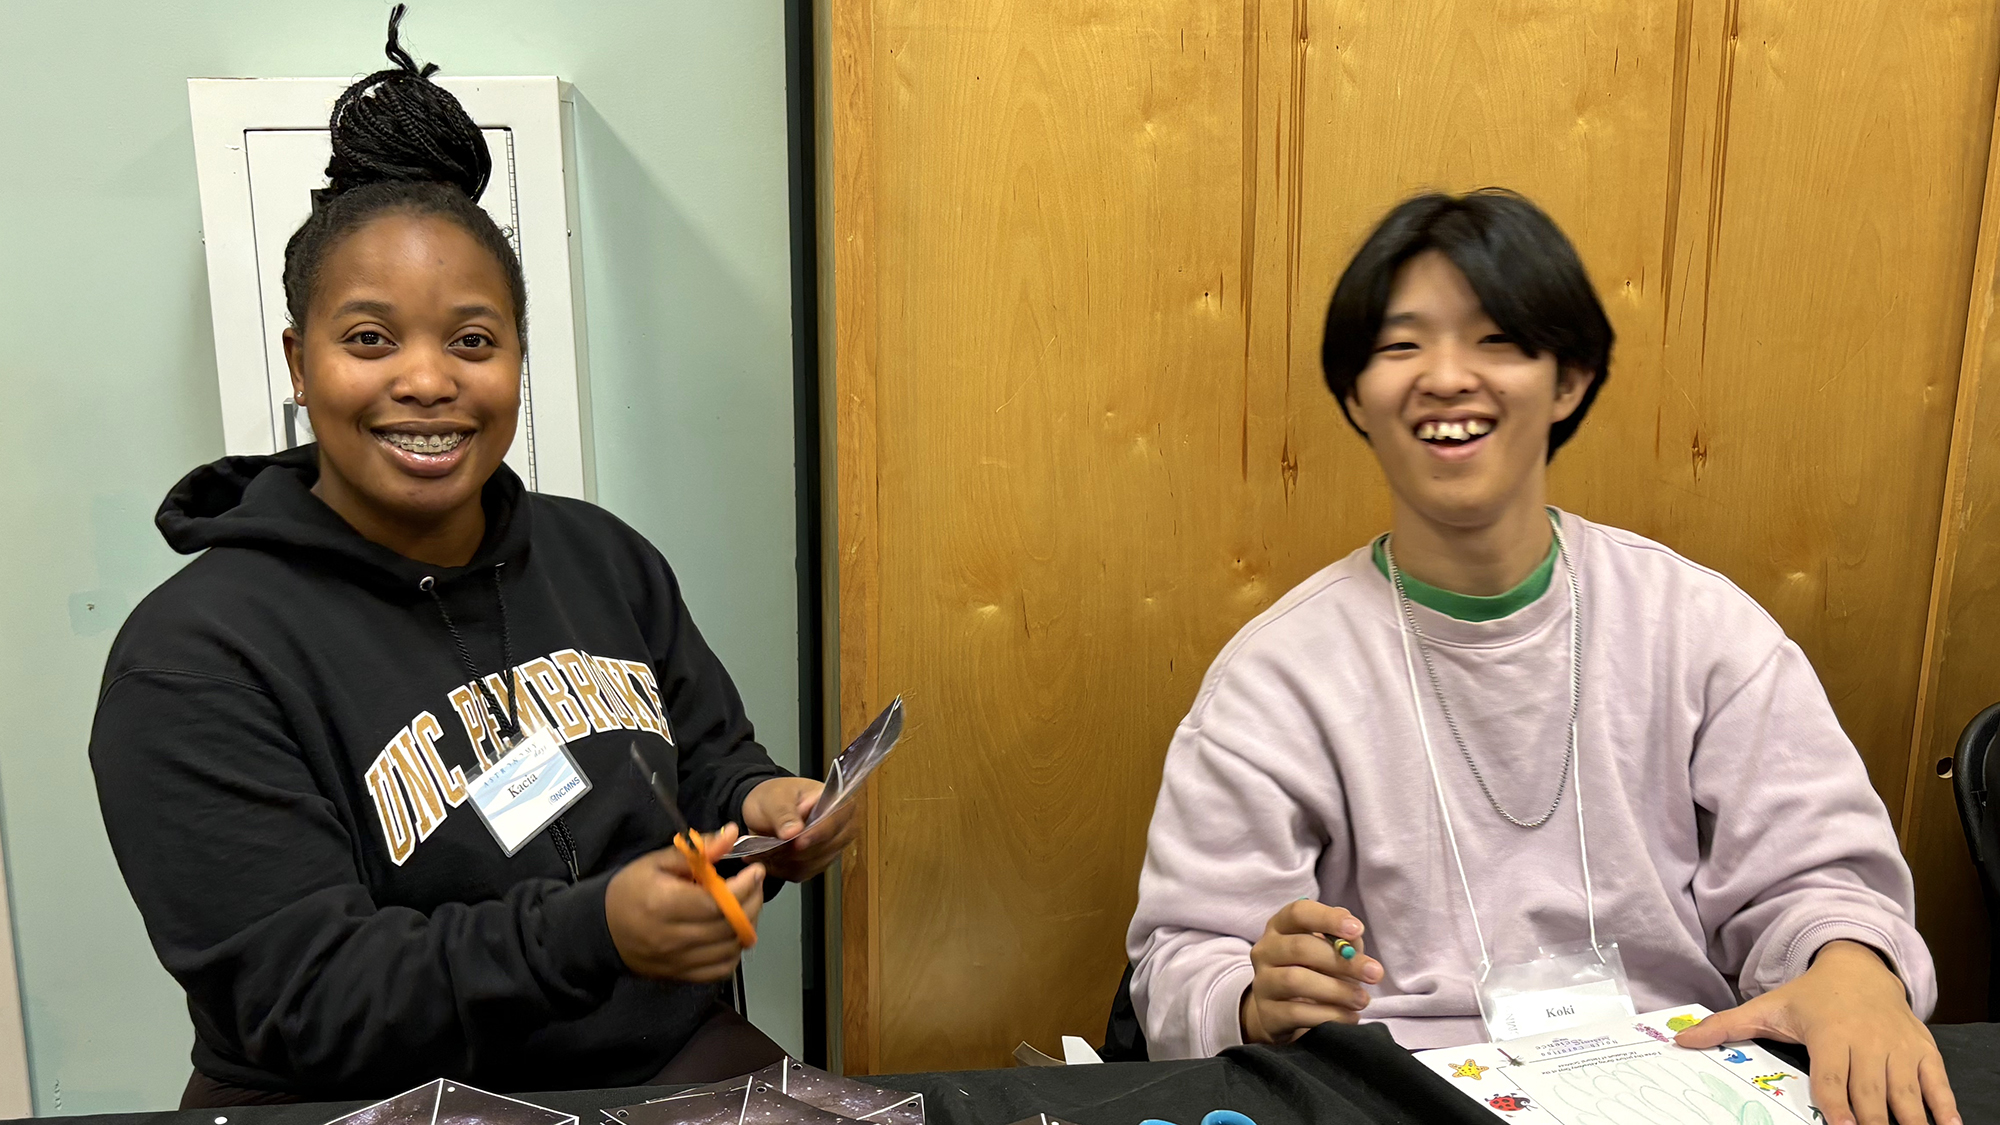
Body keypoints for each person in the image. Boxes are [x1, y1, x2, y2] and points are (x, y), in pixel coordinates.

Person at [88, 10, 853, 1107]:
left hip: (656, 1061)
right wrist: (592, 933)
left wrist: (766, 801)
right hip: (371, 1100)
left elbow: (703, 759)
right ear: (299, 362)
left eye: (472, 340)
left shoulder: (603, 558)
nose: (427, 379)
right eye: (369, 339)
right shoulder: (193, 657)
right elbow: (303, 997)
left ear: (516, 361)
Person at [1126, 189, 1957, 1125]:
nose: (1447, 376)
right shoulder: (1278, 674)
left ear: (1569, 380)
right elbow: (1181, 962)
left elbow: (1823, 883)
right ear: (1355, 393)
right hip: (1398, 1095)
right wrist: (1252, 995)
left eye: (1497, 340)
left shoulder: (1702, 627)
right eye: (1401, 345)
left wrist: (1850, 965)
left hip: (1684, 1080)